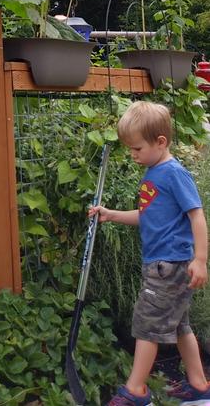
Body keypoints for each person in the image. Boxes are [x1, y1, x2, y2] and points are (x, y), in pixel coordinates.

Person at [88, 101, 210, 405]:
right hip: (160, 264)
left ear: (160, 142)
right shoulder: (153, 173)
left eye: (137, 148)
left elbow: (197, 215)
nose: (133, 154)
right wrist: (111, 214)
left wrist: (200, 259)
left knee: (147, 325)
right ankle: (198, 385)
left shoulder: (174, 174)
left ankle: (136, 390)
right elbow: (149, 216)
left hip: (169, 266)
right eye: (130, 148)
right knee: (180, 326)